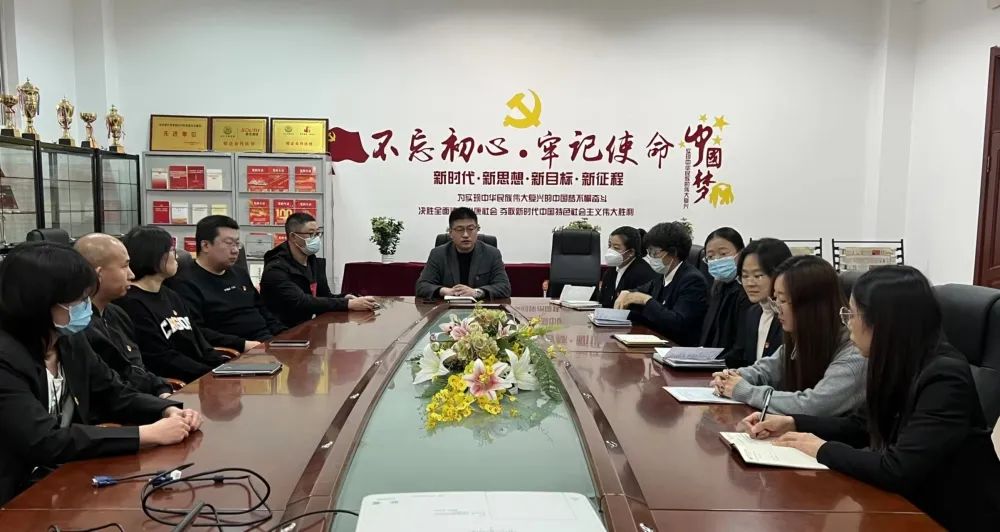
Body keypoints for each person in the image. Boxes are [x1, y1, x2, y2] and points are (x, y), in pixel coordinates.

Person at [741, 266, 1000, 530]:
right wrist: (794, 423)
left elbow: (898, 468)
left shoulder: (944, 377)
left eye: (852, 314)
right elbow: (860, 426)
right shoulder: (894, 360)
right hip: (904, 504)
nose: (847, 323)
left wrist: (821, 448)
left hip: (949, 517)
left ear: (884, 322)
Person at [0, 242, 202, 506]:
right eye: (79, 300)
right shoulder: (6, 357)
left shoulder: (68, 340)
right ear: (40, 302)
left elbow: (111, 391)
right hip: (13, 494)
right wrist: (147, 434)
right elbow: (43, 439)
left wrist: (165, 410)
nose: (86, 306)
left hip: (61, 480)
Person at [710, 255, 866, 416]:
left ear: (811, 305)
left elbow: (815, 405)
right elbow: (765, 371)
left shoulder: (854, 353)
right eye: (775, 298)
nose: (776, 308)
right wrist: (733, 377)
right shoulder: (804, 339)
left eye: (783, 300)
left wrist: (745, 391)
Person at [115, 226, 234, 383]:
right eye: (171, 250)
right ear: (154, 255)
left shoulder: (171, 295)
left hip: (204, 377)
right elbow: (161, 358)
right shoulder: (132, 304)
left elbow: (199, 341)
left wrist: (225, 367)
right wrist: (210, 374)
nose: (176, 256)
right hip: (179, 384)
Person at [74, 234, 173, 398]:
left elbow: (137, 369)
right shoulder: (78, 326)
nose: (131, 275)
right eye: (124, 266)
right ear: (99, 274)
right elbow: (112, 388)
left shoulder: (118, 314)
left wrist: (161, 389)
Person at [174, 215, 286, 349]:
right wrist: (243, 345)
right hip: (236, 350)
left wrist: (285, 335)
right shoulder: (185, 282)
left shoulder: (239, 273)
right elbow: (197, 331)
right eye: (229, 243)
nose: (235, 250)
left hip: (267, 342)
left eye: (237, 244)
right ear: (205, 245)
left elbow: (262, 310)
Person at [260, 212, 378, 327]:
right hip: (282, 331)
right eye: (311, 234)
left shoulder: (313, 262)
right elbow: (301, 302)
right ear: (293, 237)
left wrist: (345, 298)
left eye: (317, 234)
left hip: (307, 326)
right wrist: (347, 304)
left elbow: (323, 296)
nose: (316, 239)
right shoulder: (275, 269)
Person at [614, 221, 708, 346]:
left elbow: (677, 322)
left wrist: (646, 300)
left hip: (677, 347)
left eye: (655, 252)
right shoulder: (662, 275)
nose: (651, 257)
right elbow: (640, 291)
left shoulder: (692, 280)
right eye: (649, 252)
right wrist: (627, 293)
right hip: (657, 342)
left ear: (673, 252)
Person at [721, 238, 793, 368]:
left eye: (758, 276)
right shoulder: (753, 313)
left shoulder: (791, 316)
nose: (750, 283)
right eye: (745, 276)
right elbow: (740, 358)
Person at [415, 207, 511, 300]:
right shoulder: (438, 254)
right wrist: (444, 291)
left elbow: (504, 287)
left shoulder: (492, 254)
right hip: (447, 307)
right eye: (460, 229)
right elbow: (421, 286)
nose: (465, 235)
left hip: (480, 308)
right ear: (450, 232)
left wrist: (476, 292)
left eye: (470, 229)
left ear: (477, 229)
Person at [699, 227, 751, 350]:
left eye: (723, 254)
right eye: (710, 256)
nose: (716, 260)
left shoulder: (747, 291)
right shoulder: (717, 288)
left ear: (740, 254)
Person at [593, 226, 657, 308]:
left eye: (616, 248)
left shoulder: (643, 273)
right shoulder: (611, 271)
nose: (610, 251)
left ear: (631, 252)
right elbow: (603, 301)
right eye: (609, 246)